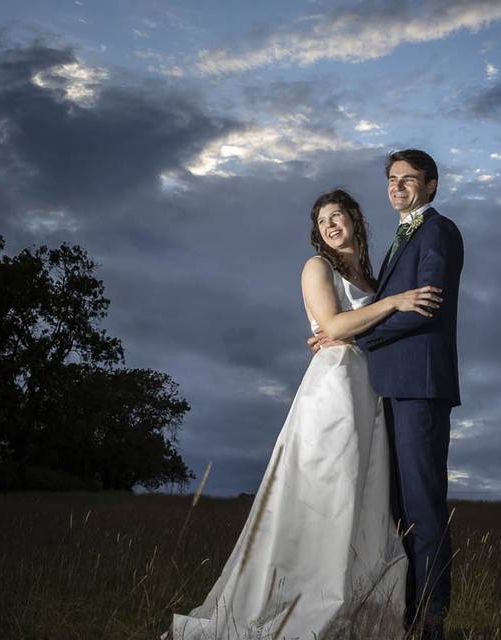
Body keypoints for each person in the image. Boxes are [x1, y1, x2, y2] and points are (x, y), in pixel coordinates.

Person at [164, 189, 443, 640]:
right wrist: (393, 303)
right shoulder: (319, 267)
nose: (330, 225)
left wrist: (380, 308)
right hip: (333, 389)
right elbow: (332, 326)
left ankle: (360, 611)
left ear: (355, 219)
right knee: (325, 493)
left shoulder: (372, 278)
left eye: (338, 215)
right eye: (322, 221)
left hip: (370, 392)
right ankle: (301, 605)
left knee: (365, 500)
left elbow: (369, 329)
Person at [313, 149, 463, 640]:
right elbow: (389, 305)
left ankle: (431, 623)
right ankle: (403, 616)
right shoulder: (399, 242)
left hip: (419, 387)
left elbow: (428, 308)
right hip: (388, 391)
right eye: (392, 179)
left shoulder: (438, 231)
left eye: (409, 179)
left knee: (422, 508)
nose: (398, 186)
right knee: (396, 512)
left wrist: (355, 336)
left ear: (432, 185)